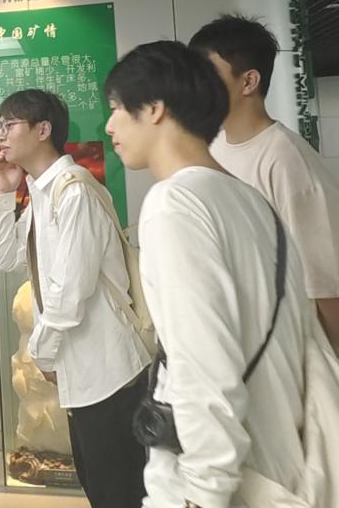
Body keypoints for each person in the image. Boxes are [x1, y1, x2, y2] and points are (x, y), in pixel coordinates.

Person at [104, 40, 319, 507]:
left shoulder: (174, 204)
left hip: (223, 485)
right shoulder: (251, 201)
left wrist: (203, 492)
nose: (109, 125)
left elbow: (202, 367)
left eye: (118, 107)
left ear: (155, 108)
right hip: (283, 467)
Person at [0, 89, 149, 508]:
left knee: (120, 492)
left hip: (108, 371)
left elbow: (69, 292)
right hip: (82, 372)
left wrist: (42, 354)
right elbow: (6, 259)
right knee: (101, 488)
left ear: (43, 129)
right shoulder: (41, 193)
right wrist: (4, 195)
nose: (0, 135)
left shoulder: (73, 191)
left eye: (9, 124)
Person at [190, 14, 339, 348]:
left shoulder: (286, 160)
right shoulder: (214, 148)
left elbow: (327, 288)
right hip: (237, 346)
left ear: (248, 82)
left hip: (286, 352)